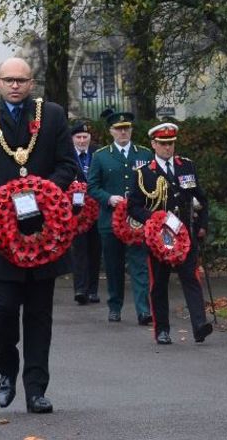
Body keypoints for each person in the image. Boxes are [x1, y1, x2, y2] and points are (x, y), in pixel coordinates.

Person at [0, 57, 79, 414]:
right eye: (9, 80)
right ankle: (7, 372)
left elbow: (68, 166)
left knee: (40, 315)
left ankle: (36, 389)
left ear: (31, 83)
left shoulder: (52, 114)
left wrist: (43, 192)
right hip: (2, 234)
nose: (15, 85)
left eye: (22, 80)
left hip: (43, 233)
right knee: (5, 310)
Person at [127, 122, 213, 345]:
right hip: (159, 238)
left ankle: (199, 325)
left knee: (191, 279)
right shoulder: (144, 173)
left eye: (171, 143)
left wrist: (202, 225)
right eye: (163, 144)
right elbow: (133, 206)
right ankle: (162, 329)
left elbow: (200, 198)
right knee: (159, 284)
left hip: (184, 234)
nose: (168, 148)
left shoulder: (186, 166)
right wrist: (153, 220)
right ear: (154, 144)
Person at [87, 111, 154, 324]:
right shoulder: (101, 156)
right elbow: (92, 187)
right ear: (111, 131)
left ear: (132, 130)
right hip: (110, 221)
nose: (123, 132)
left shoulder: (144, 154)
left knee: (140, 265)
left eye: (126, 128)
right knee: (114, 267)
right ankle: (114, 306)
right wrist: (109, 198)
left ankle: (143, 310)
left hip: (137, 220)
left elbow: (154, 184)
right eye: (118, 129)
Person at [69, 121, 101, 305]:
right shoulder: (66, 155)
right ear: (72, 139)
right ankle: (80, 288)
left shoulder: (98, 153)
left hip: (96, 207)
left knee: (95, 249)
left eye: (85, 137)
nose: (82, 140)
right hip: (76, 209)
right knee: (79, 249)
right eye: (78, 137)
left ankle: (93, 290)